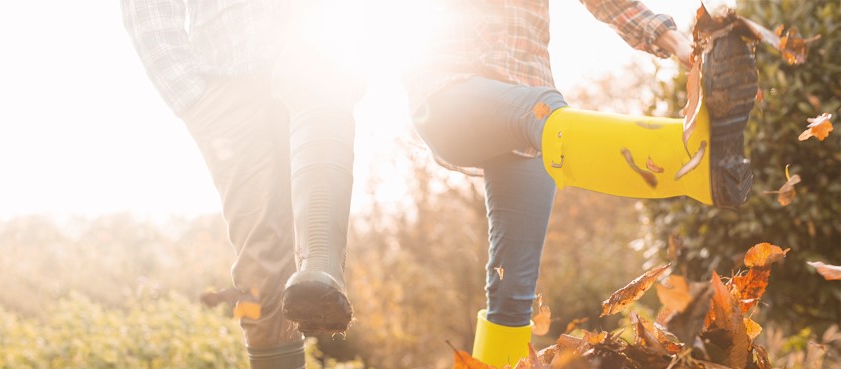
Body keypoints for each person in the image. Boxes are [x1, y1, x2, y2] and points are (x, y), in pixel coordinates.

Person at [402, 0, 757, 367]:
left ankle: (704, 166)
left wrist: (684, 47)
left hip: (532, 129)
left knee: (513, 296)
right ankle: (695, 160)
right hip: (451, 93)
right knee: (542, 108)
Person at [121, 1, 364, 368]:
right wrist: (194, 98)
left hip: (315, 45)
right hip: (227, 81)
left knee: (316, 264)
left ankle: (323, 265)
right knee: (259, 265)